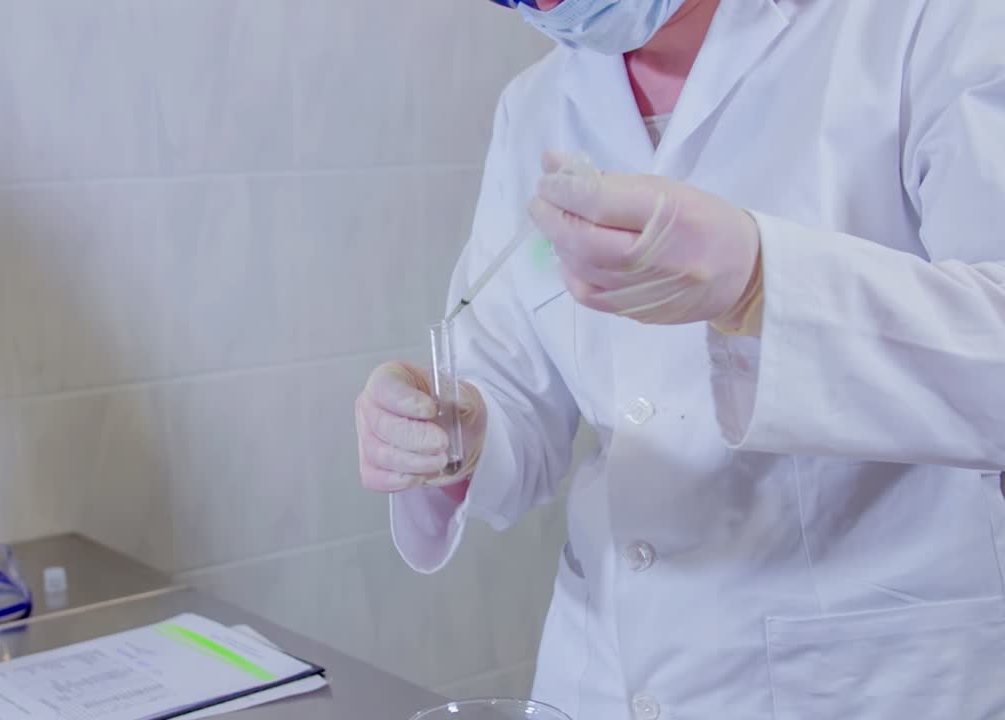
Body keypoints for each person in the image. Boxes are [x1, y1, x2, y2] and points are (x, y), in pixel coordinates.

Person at [354, 0, 1005, 718]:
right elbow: (512, 391)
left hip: (864, 677)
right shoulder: (536, 104)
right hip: (599, 675)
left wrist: (763, 284)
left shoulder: (927, 26)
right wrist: (459, 433)